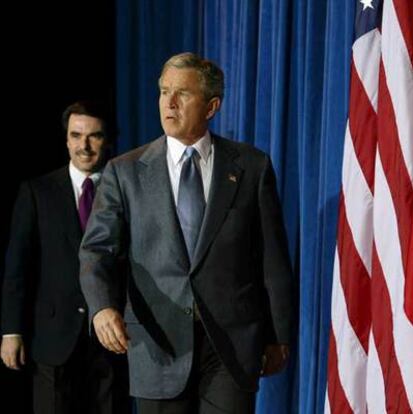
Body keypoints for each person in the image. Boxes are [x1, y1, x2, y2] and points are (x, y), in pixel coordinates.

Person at [80, 53, 293, 414]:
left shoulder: (251, 167)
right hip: (157, 343)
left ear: (211, 107)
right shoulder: (125, 172)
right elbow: (96, 250)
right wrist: (101, 307)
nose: (169, 103)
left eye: (182, 93)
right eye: (164, 92)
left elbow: (272, 258)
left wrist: (279, 336)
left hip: (230, 345)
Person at [0, 101, 128, 414]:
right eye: (76, 135)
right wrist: (11, 331)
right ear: (67, 139)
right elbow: (18, 268)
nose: (84, 146)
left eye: (94, 136)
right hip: (53, 339)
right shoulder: (37, 191)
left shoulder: (127, 191)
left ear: (108, 140)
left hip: (112, 340)